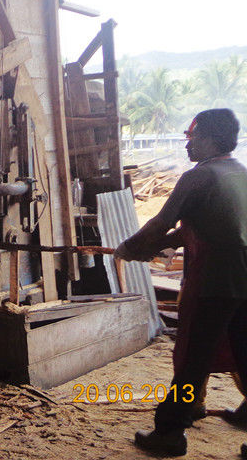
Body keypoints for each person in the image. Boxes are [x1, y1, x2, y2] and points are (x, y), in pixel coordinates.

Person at [115, 109, 247, 456]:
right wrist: (151, 247)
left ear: (211, 139)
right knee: (245, 351)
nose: (187, 144)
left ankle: (169, 432)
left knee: (193, 357)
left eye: (193, 137)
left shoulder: (197, 177)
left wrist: (129, 248)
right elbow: (196, 227)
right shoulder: (239, 172)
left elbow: (161, 223)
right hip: (243, 278)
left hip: (216, 280)